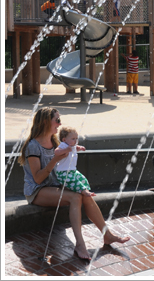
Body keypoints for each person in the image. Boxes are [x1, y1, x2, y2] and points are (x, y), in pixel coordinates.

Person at [18, 107, 129, 261]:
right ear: (45, 122)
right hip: (37, 190)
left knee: (85, 194)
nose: (60, 123)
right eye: (57, 120)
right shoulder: (33, 146)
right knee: (75, 197)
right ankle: (80, 244)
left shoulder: (55, 142)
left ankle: (107, 235)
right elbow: (37, 178)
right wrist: (55, 160)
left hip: (55, 185)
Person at [55, 126, 95, 197]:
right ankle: (84, 192)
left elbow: (75, 148)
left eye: (77, 138)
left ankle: (86, 190)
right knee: (74, 181)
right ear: (64, 139)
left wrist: (79, 148)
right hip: (63, 172)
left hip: (72, 171)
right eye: (73, 139)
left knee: (82, 178)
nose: (76, 140)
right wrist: (65, 150)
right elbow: (56, 152)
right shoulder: (63, 146)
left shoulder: (72, 146)